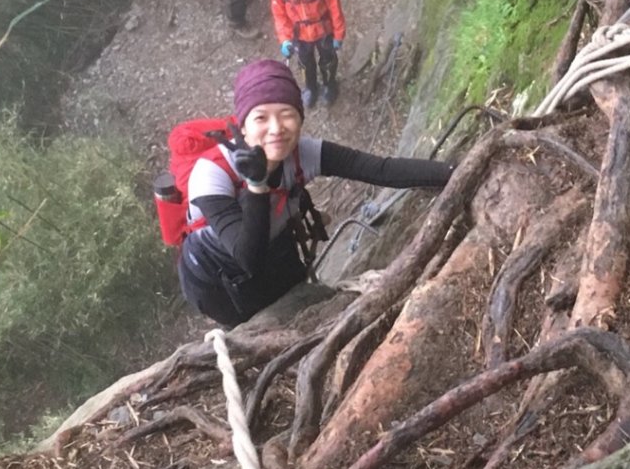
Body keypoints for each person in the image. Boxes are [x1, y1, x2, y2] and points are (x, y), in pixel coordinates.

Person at [177, 59, 453, 326]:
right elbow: (248, 259)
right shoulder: (212, 173)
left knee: (306, 304)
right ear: (243, 126)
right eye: (261, 117)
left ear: (301, 119)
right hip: (219, 277)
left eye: (287, 115)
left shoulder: (302, 153)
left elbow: (380, 169)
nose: (276, 129)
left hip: (274, 245)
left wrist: (453, 172)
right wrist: (256, 184)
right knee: (259, 331)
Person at [271, 0, 345, 108]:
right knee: (305, 62)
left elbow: (334, 7)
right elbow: (280, 15)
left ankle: (329, 85)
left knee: (328, 59)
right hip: (300, 34)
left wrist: (338, 34)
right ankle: (310, 87)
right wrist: (285, 40)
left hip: (323, 29)